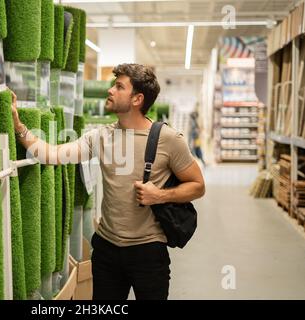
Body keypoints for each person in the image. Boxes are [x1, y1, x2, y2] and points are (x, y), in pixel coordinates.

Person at [11, 63, 205, 300]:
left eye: (119, 86)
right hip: (106, 250)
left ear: (137, 99)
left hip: (148, 252)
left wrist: (160, 195)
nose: (111, 90)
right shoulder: (101, 136)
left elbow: (197, 185)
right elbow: (53, 155)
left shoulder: (168, 139)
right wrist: (19, 127)